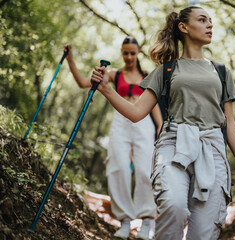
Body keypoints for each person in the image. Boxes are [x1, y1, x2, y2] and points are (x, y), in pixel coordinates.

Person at [90, 6, 235, 240]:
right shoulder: (165, 70)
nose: (210, 25)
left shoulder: (221, 71)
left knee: (205, 228)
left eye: (211, 21)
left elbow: (230, 122)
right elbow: (136, 113)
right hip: (174, 144)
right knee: (173, 206)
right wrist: (105, 88)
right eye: (203, 20)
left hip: (213, 147)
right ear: (183, 27)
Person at [63, 36, 162, 240]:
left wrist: (160, 128)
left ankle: (147, 221)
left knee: (145, 170)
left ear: (138, 53)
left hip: (143, 122)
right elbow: (84, 83)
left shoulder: (147, 75)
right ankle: (124, 220)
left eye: (132, 53)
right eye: (125, 52)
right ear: (121, 52)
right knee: (119, 167)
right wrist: (71, 59)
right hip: (120, 122)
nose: (128, 56)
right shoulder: (115, 74)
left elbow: (154, 106)